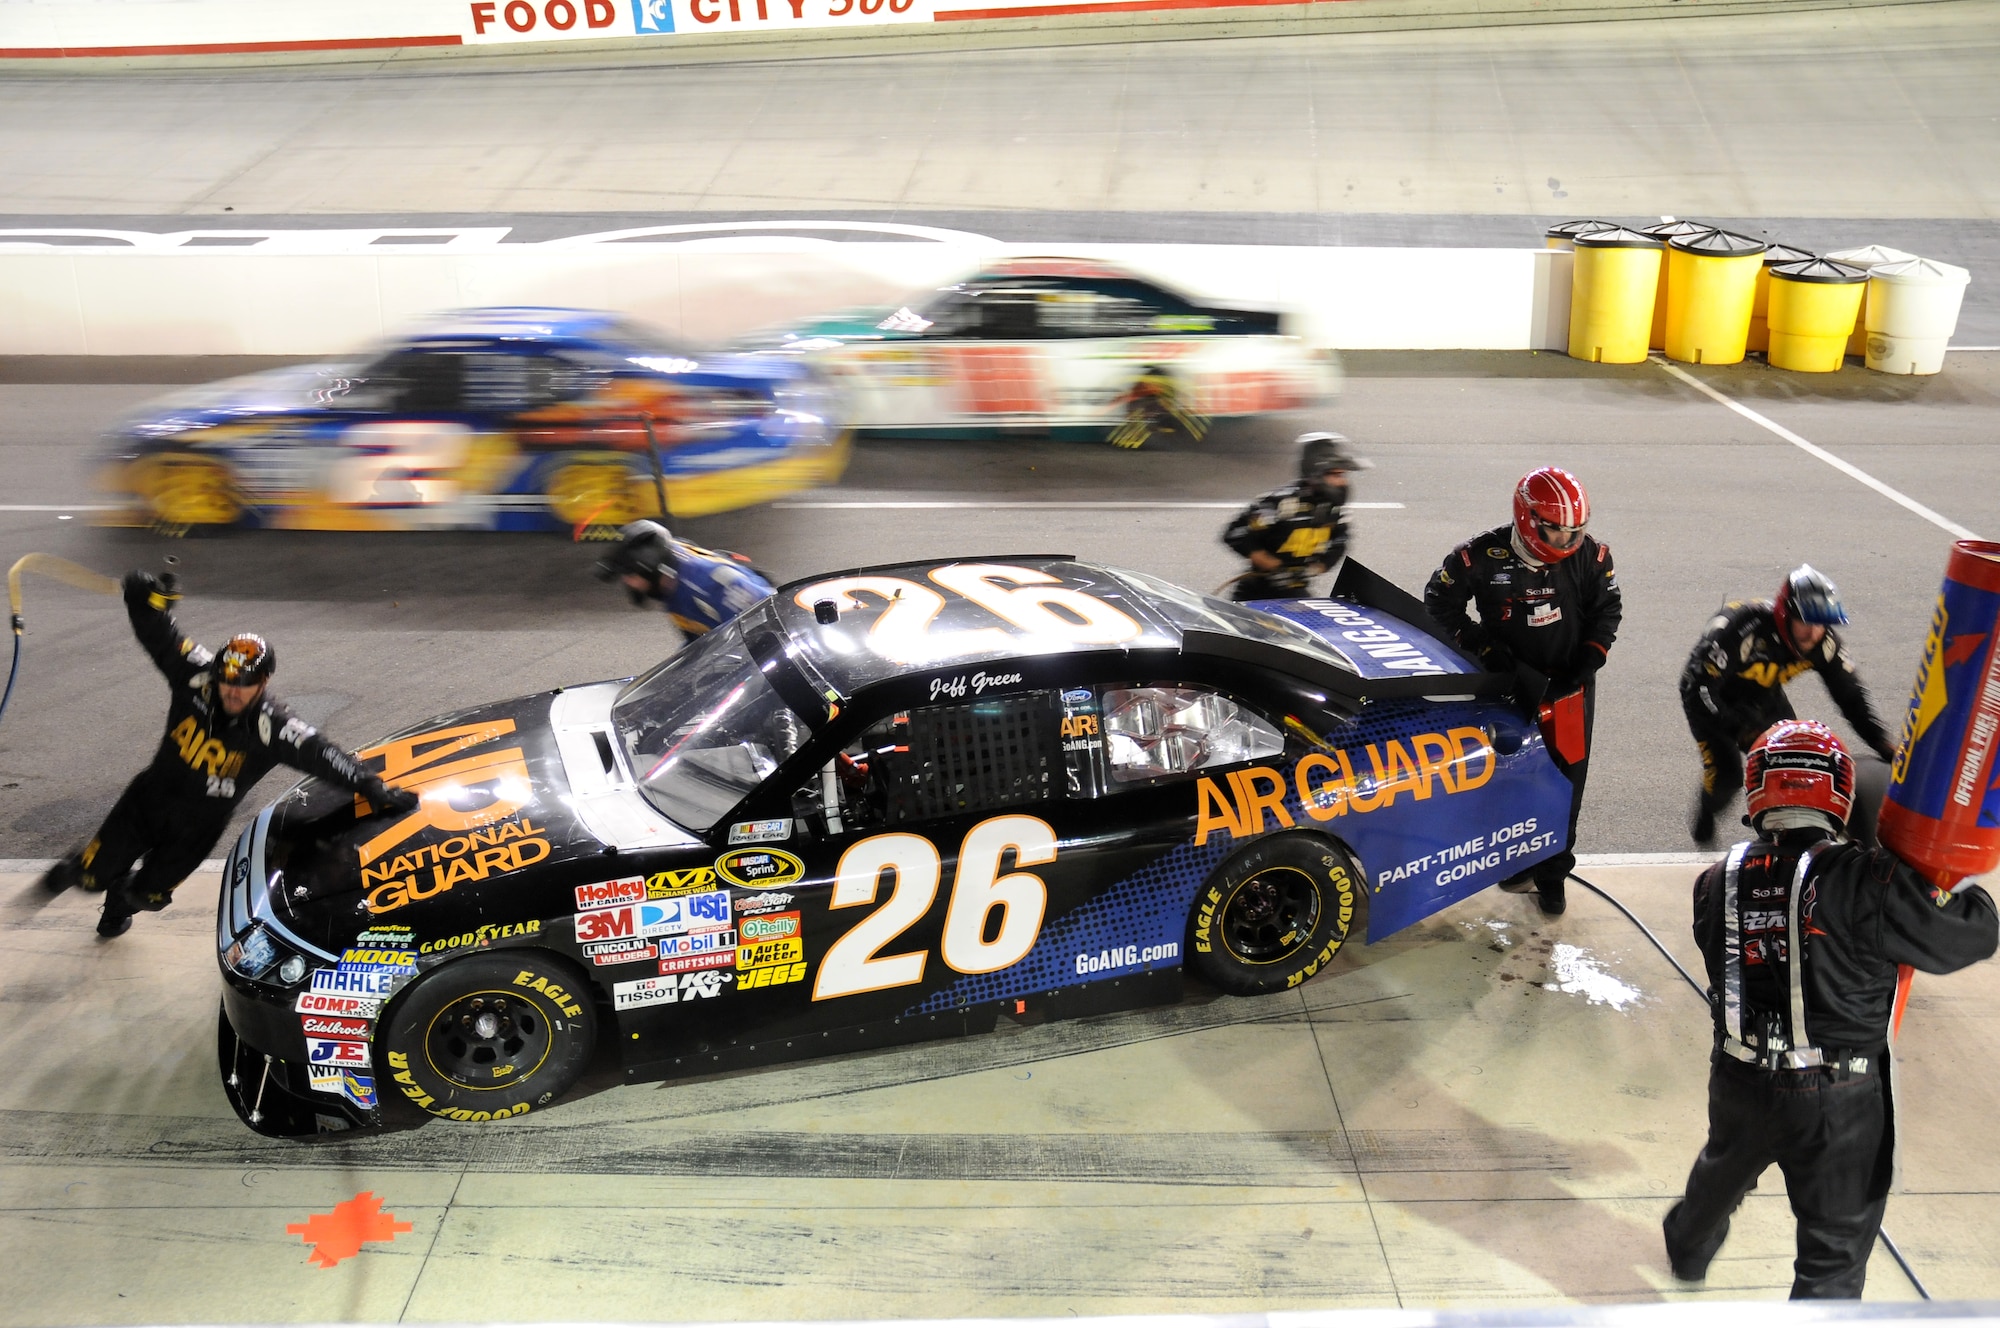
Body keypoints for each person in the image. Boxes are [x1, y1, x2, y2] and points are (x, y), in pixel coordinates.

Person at [1663, 720, 1996, 1298]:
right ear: (1839, 792)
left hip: (1739, 1079)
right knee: (1833, 1260)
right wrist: (1942, 881)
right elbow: (1973, 935)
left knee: (1722, 1169)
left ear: (1758, 791)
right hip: (1839, 1101)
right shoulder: (1868, 882)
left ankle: (1687, 1250)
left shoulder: (1713, 882)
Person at [40, 571, 417, 938]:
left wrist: (371, 785)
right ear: (217, 672)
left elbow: (323, 754)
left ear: (263, 682)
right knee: (91, 878)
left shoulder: (275, 727)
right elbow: (160, 635)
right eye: (226, 681)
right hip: (147, 803)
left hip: (197, 830)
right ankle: (88, 870)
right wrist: (141, 597)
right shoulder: (196, 674)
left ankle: (121, 902)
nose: (232, 692)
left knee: (148, 896)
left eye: (244, 685)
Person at [1423, 466, 1620, 915]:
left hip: (1569, 691)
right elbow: (1438, 605)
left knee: (1565, 784)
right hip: (1505, 687)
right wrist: (1485, 649)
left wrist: (1589, 659)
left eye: (1575, 533)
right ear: (1528, 520)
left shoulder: (1591, 556)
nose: (1567, 544)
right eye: (1556, 533)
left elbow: (1607, 609)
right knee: (1505, 777)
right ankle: (1512, 858)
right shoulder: (1476, 558)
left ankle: (1552, 874)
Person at [1682, 566, 1898, 845]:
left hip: (1763, 695)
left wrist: (1883, 744)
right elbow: (1697, 687)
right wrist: (1736, 726)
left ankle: (1780, 837)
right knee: (1728, 777)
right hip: (1711, 697)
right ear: (1785, 616)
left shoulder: (1823, 642)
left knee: (1793, 763)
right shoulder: (1741, 629)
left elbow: (1851, 698)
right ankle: (1707, 811)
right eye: (1807, 623)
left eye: (1822, 624)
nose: (1813, 634)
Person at [1221, 432, 1369, 602]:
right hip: (1255, 592)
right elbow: (1235, 534)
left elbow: (1339, 542)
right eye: (1336, 475)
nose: (1342, 482)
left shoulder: (1334, 510)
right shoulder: (1281, 504)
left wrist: (1314, 569)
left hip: (1294, 592)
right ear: (1316, 474)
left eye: (1343, 475)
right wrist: (1274, 568)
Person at [593, 519, 775, 637]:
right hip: (712, 633)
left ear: (655, 572)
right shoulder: (668, 573)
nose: (627, 582)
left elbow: (768, 627)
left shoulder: (710, 586)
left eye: (631, 575)